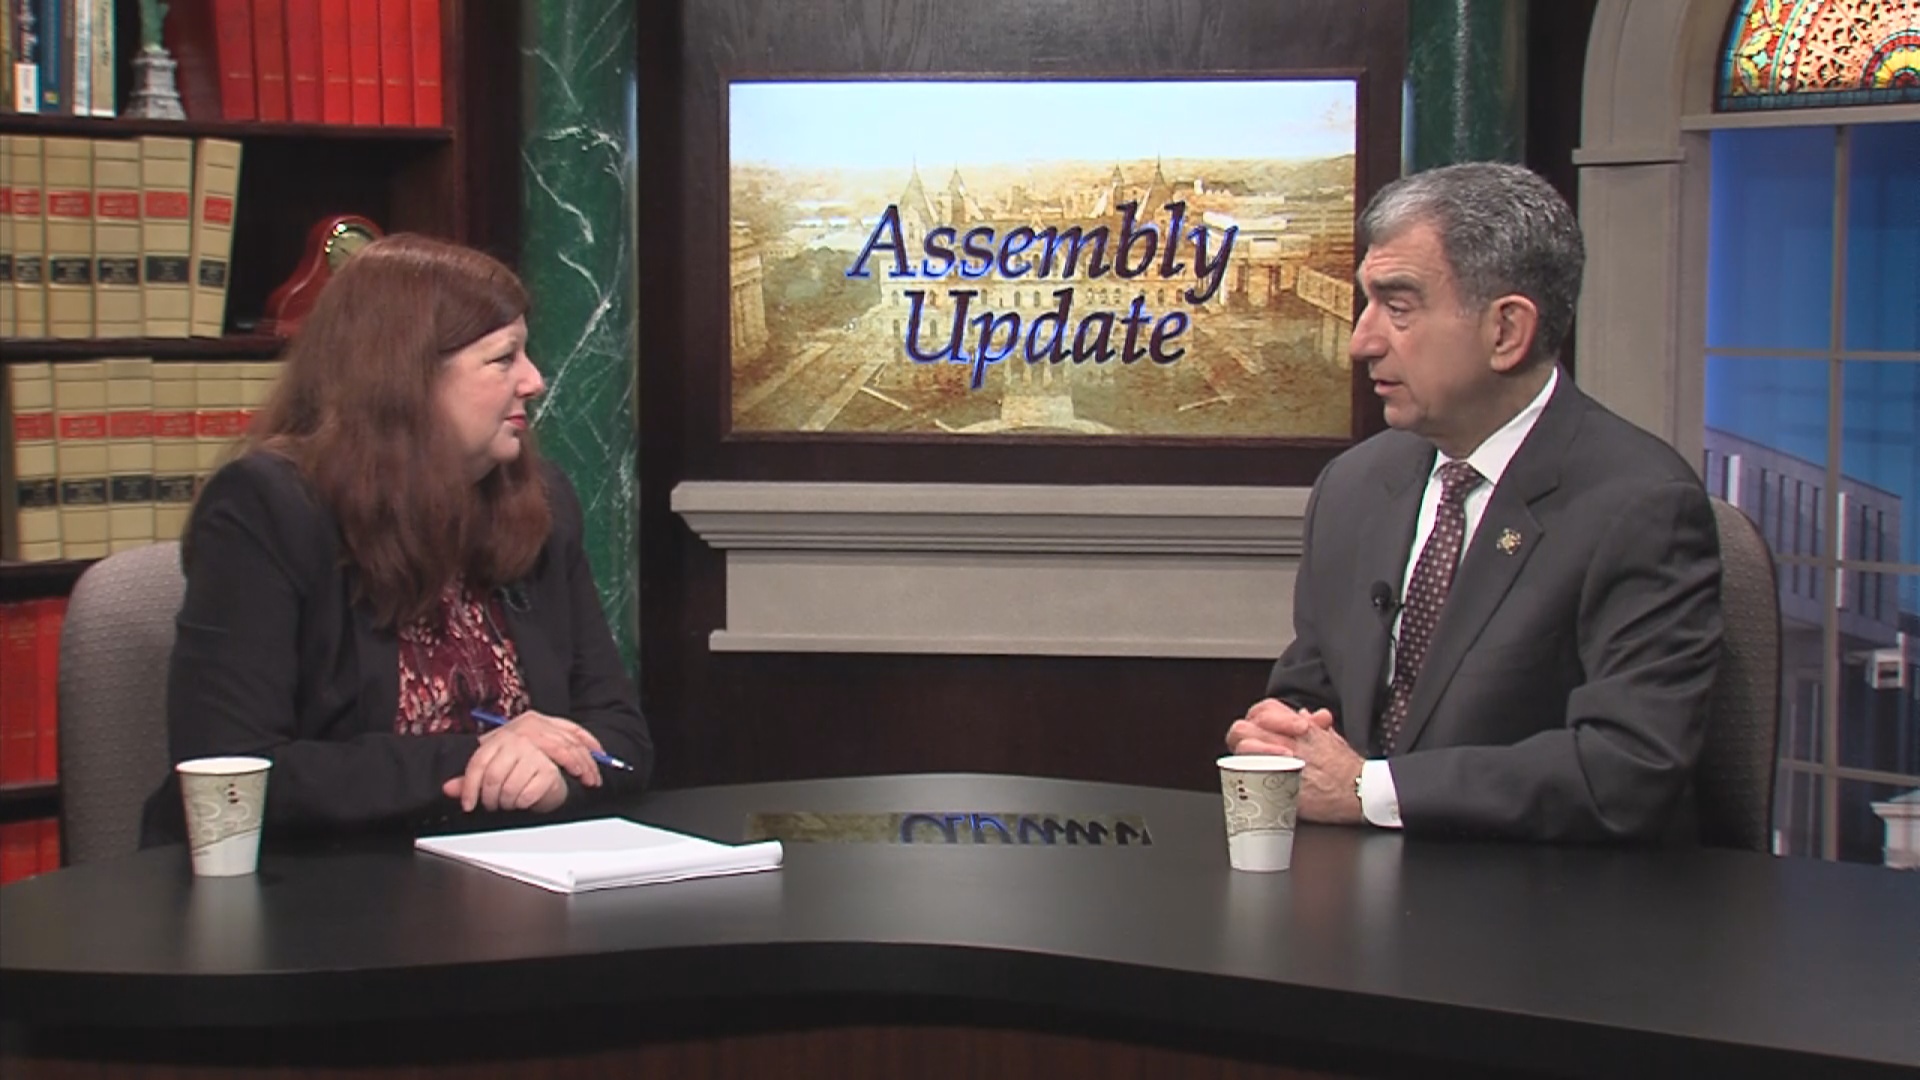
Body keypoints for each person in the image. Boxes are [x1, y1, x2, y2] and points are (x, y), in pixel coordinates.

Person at [1224, 162, 1721, 843]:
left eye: (1398, 308)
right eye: (1367, 303)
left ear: (1506, 331)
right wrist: (1282, 736)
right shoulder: (1354, 486)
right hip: (1352, 885)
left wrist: (1368, 789)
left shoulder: (1640, 504)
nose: (1361, 341)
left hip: (1537, 896)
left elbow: (1627, 767)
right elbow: (1314, 692)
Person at [142, 234, 652, 845]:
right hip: (321, 879)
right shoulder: (267, 508)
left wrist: (556, 778)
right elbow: (232, 768)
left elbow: (622, 738)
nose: (535, 380)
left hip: (514, 871)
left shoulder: (541, 500)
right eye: (503, 359)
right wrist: (480, 757)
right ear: (409, 378)